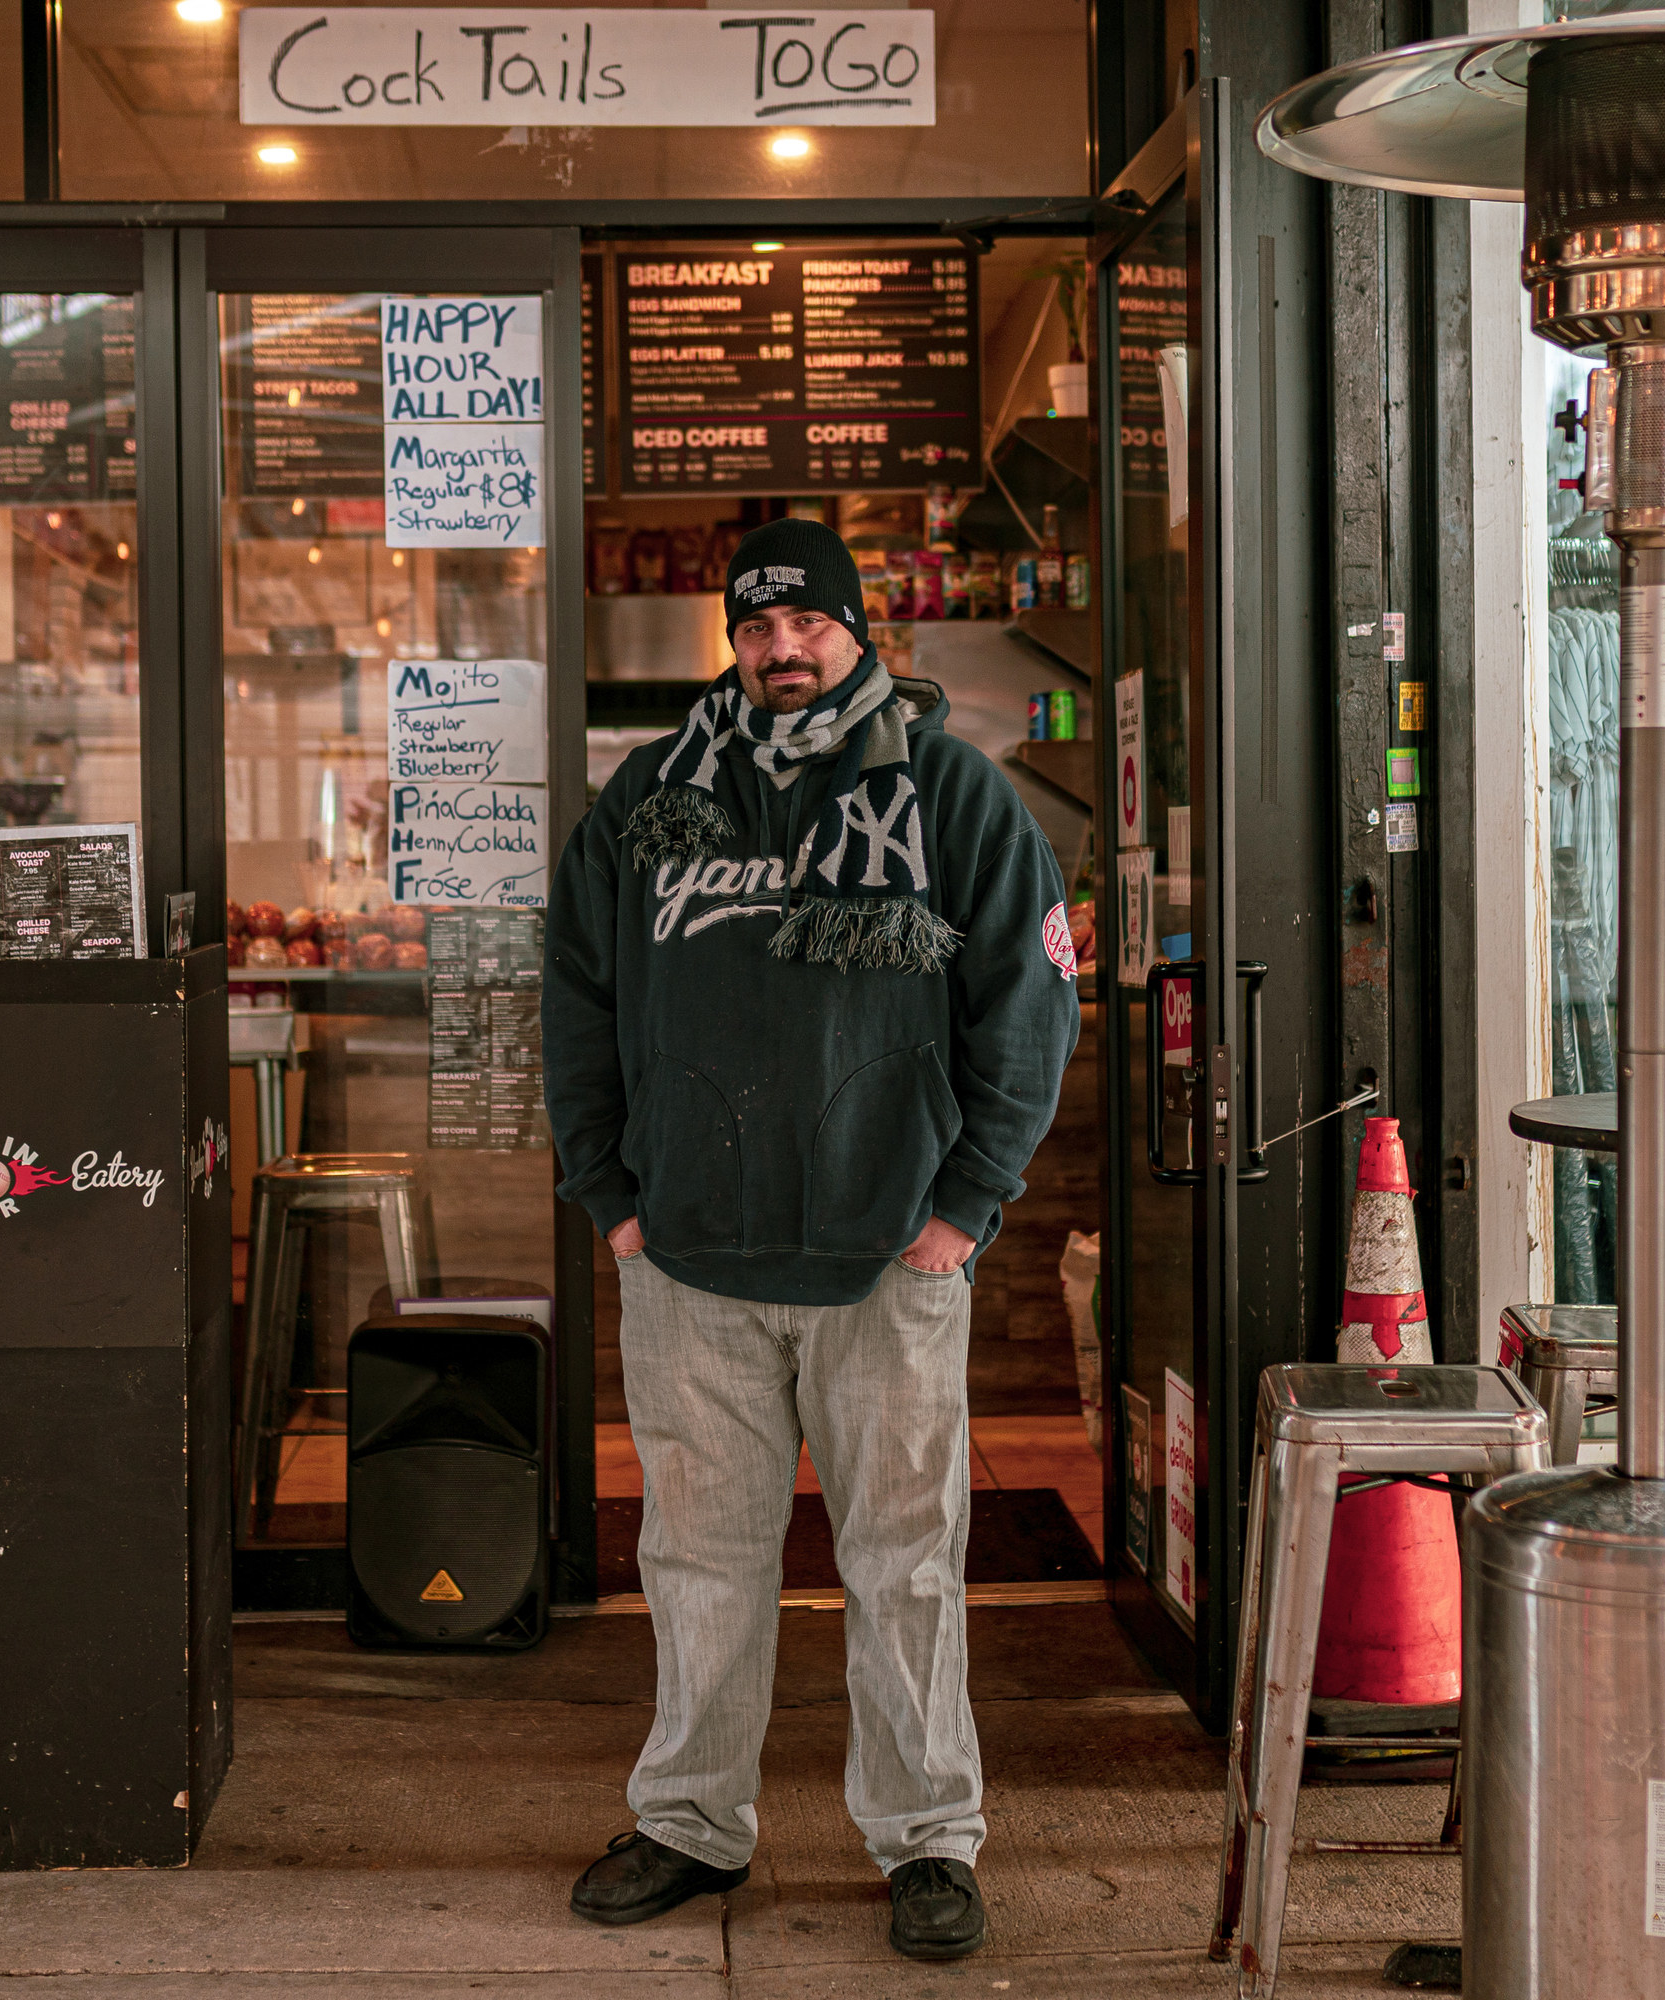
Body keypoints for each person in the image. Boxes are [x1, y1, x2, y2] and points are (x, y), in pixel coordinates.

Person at [542, 517, 1082, 1962]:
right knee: (697, 1562)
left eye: (811, 625)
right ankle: (690, 1824)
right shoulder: (657, 796)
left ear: (860, 632)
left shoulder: (955, 798)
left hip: (882, 1259)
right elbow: (578, 992)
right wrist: (614, 1200)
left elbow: (1028, 1022)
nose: (783, 650)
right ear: (735, 638)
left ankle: (925, 1841)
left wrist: (961, 1213)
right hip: (689, 1263)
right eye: (758, 626)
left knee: (903, 1560)